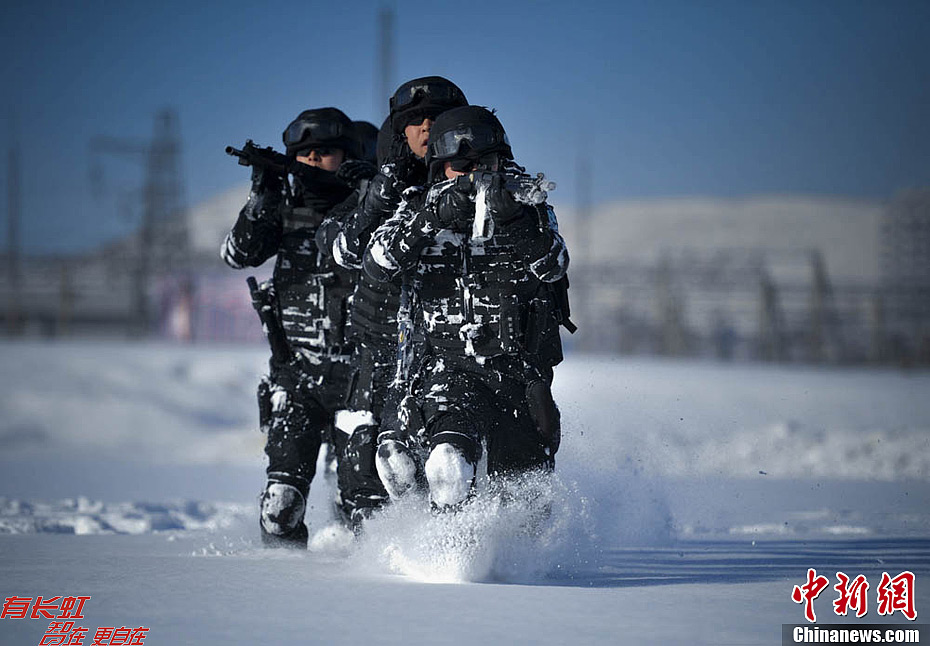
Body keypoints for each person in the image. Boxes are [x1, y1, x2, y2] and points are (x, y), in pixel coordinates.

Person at [363, 105, 571, 510]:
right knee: (449, 466)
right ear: (441, 168)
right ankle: (446, 559)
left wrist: (516, 222)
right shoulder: (417, 208)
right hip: (447, 368)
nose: (475, 174)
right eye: (462, 165)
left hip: (516, 372)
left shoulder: (528, 208)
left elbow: (554, 266)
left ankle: (511, 565)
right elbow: (378, 263)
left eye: (485, 163)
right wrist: (433, 216)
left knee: (525, 505)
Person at [220, 107, 377, 547]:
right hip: (299, 379)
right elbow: (238, 254)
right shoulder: (283, 211)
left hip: (362, 381)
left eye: (323, 152)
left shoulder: (370, 210)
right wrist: (262, 193)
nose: (311, 161)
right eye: (302, 153)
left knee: (364, 515)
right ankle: (283, 595)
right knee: (280, 508)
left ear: (348, 155)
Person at [321, 77, 469, 507]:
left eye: (436, 120)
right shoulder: (378, 190)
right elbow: (341, 250)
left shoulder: (474, 182)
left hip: (449, 350)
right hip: (382, 349)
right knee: (366, 475)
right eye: (416, 121)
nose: (426, 128)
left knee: (451, 467)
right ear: (400, 131)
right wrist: (378, 195)